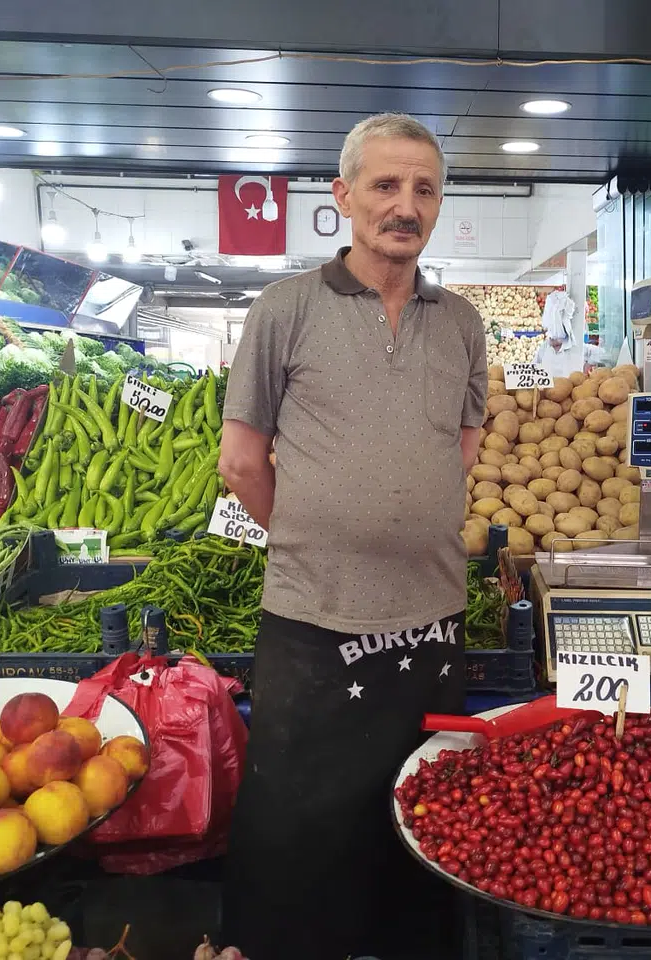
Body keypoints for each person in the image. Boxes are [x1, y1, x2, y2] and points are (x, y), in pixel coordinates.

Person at [219, 113, 488, 960]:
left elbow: (465, 444)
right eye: (385, 185)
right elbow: (241, 461)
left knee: (422, 821)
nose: (404, 206)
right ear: (342, 197)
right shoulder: (284, 308)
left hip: (431, 622)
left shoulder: (463, 323)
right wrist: (313, 534)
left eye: (424, 189)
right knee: (298, 830)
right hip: (313, 622)